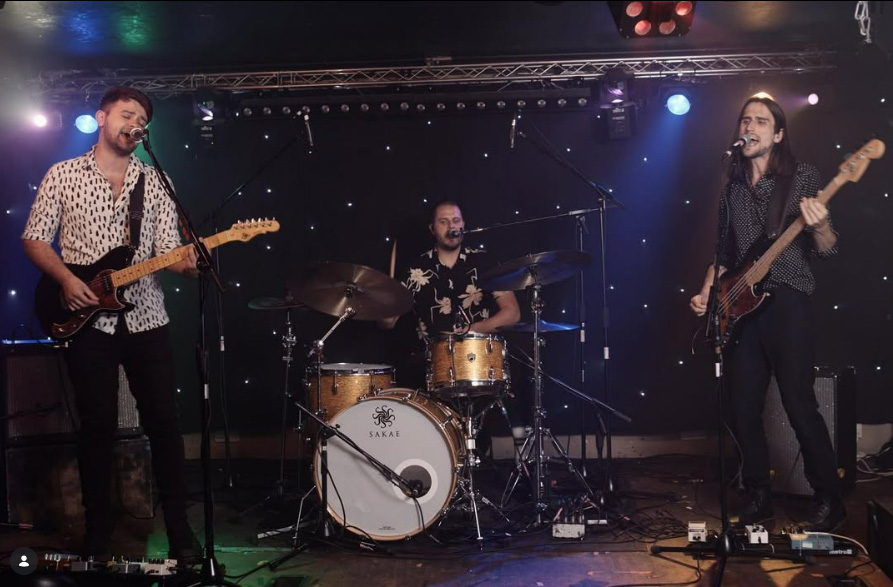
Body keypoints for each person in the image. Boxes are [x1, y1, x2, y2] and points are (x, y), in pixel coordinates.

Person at [22, 87, 200, 561]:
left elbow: (168, 248)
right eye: (126, 114)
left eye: (142, 118)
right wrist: (64, 279)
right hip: (86, 321)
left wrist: (189, 263)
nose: (134, 122)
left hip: (147, 318)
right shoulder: (63, 174)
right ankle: (97, 532)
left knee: (164, 424)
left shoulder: (157, 180)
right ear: (101, 117)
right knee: (96, 426)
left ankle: (181, 532)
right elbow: (35, 239)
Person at [689, 96, 845, 532]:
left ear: (777, 134)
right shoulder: (732, 191)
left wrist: (820, 225)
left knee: (799, 404)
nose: (750, 126)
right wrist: (708, 293)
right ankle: (758, 495)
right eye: (745, 119)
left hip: (789, 301)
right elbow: (723, 254)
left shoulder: (804, 177)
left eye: (761, 121)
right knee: (742, 408)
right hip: (744, 309)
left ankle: (829, 499)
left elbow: (829, 249)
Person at [381, 201, 521, 386]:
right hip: (430, 369)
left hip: (479, 365)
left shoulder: (484, 262)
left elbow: (512, 313)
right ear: (432, 229)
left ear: (463, 225)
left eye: (456, 220)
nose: (451, 226)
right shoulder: (415, 269)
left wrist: (475, 329)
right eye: (443, 222)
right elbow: (387, 324)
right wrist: (383, 306)